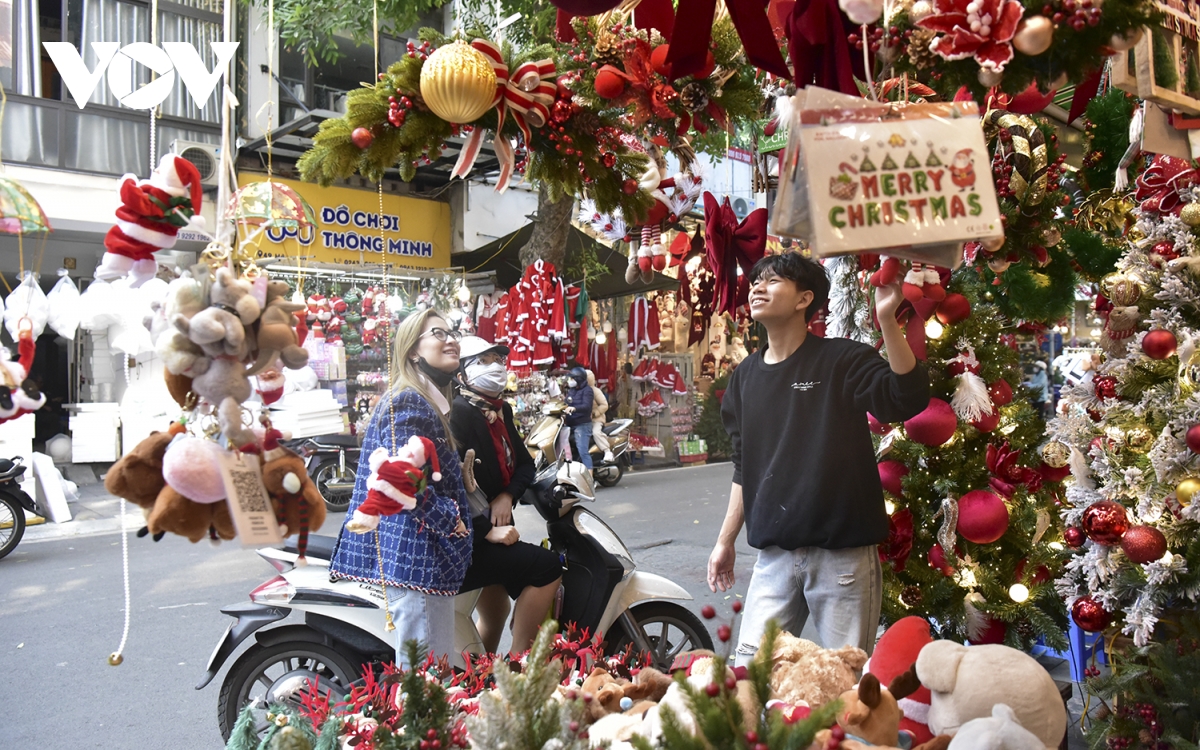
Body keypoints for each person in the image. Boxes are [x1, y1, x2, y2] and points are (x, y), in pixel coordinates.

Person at [706, 252, 929, 667]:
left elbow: (906, 398)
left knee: (843, 684)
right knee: (750, 675)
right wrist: (724, 541)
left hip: (841, 557)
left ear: (804, 299)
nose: (757, 287)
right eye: (755, 280)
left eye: (772, 281)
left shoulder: (841, 359)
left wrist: (886, 320)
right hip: (773, 556)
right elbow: (744, 466)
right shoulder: (744, 378)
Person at [327, 309, 472, 669]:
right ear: (413, 351)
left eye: (452, 331)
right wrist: (449, 518)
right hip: (417, 558)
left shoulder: (426, 400)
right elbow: (397, 479)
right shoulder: (408, 400)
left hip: (423, 560)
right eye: (438, 333)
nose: (450, 338)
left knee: (429, 677)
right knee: (425, 683)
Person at [450, 337, 563, 654]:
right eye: (483, 361)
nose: (496, 367)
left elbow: (525, 465)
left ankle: (481, 677)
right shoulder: (458, 414)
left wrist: (506, 496)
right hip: (470, 537)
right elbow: (452, 488)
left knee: (496, 607)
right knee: (547, 567)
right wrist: (488, 531)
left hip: (497, 527)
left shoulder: (502, 410)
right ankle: (519, 664)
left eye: (498, 360)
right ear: (461, 375)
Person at [563, 366, 594, 470]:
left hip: (582, 425)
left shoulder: (587, 390)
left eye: (572, 378)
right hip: (570, 423)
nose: (570, 381)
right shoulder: (572, 390)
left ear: (578, 379)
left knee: (583, 451)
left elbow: (587, 406)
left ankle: (589, 479)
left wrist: (574, 408)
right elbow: (567, 402)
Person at [586, 369, 614, 464]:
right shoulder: (580, 391)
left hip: (597, 419)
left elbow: (604, 405)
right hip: (584, 420)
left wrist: (594, 413)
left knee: (596, 433)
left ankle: (607, 451)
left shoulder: (596, 391)